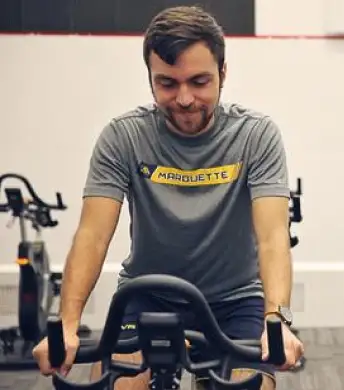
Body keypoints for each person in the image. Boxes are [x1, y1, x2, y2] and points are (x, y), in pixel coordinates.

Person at [31, 6, 303, 390]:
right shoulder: (123, 137)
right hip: (147, 297)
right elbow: (92, 236)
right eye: (168, 84)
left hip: (235, 301)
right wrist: (69, 327)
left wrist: (278, 323)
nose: (186, 98)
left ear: (223, 73)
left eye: (199, 81)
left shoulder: (256, 136)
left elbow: (273, 237)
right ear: (150, 80)